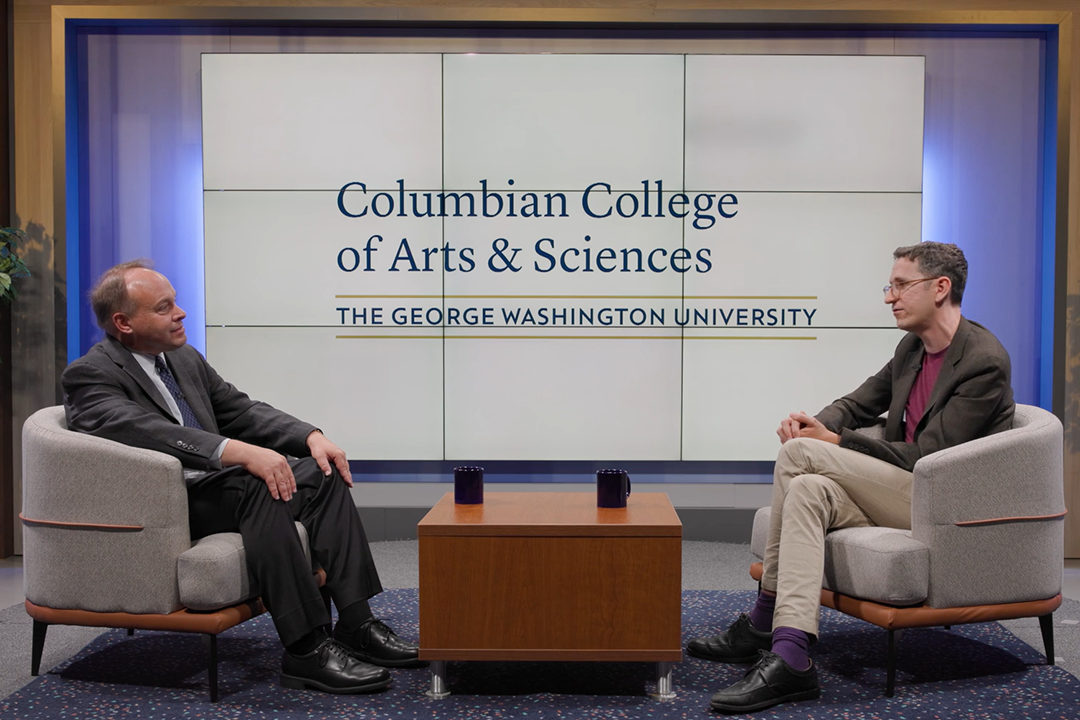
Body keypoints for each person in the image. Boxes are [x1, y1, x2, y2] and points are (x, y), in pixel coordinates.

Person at [62, 260, 421, 695]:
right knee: (258, 483)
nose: (181, 313)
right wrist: (237, 453)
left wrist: (309, 436)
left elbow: (240, 410)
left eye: (175, 302)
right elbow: (145, 430)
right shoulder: (90, 375)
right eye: (164, 307)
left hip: (217, 487)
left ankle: (356, 624)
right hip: (169, 501)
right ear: (124, 323)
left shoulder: (181, 357)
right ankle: (306, 650)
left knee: (320, 473)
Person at [688, 242, 1015, 714]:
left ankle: (764, 613)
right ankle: (790, 654)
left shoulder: (983, 360)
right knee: (806, 487)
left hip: (943, 503)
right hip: (902, 491)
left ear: (941, 288)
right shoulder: (912, 348)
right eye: (891, 285)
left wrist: (832, 443)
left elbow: (931, 455)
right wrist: (813, 422)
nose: (890, 297)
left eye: (902, 285)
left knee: (803, 455)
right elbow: (857, 403)